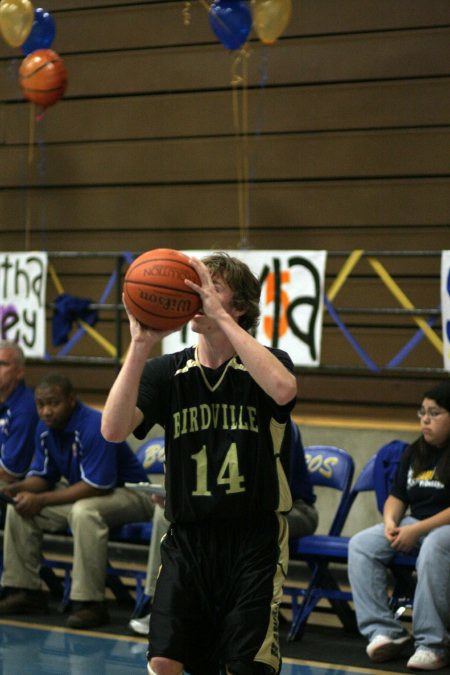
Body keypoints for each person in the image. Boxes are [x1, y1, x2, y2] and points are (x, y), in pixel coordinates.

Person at [101, 252, 298, 675]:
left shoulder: (268, 365)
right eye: (195, 285)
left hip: (253, 538)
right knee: (164, 659)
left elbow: (283, 391)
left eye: (212, 287)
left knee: (244, 666)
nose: (197, 293)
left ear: (239, 305)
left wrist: (223, 321)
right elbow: (113, 430)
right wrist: (139, 344)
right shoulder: (167, 372)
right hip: (188, 537)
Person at [128, 424, 318, 636]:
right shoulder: (203, 421)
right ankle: (163, 605)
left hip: (291, 509)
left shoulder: (277, 422)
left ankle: (241, 613)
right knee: (168, 515)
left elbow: (273, 490)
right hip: (226, 504)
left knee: (238, 522)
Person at [0, 372, 155, 629]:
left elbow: (97, 486)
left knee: (84, 512)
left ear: (72, 400)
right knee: (21, 508)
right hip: (86, 494)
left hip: (133, 495)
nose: (46, 411)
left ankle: (90, 604)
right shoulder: (45, 429)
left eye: (53, 403)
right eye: (41, 405)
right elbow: (43, 476)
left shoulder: (95, 424)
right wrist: (16, 489)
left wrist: (42, 499)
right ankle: (24, 591)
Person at [348, 380, 450, 671]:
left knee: (433, 544)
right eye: (422, 412)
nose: (425, 420)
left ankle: (433, 643)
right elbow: (397, 496)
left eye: (435, 413)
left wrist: (415, 530)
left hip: (442, 529)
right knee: (362, 544)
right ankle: (385, 632)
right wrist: (391, 523)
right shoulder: (415, 451)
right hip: (415, 524)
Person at [0, 340, 38, 488]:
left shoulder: (26, 409)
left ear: (19, 372)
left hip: (17, 484)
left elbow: (10, 472)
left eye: (2, 364)